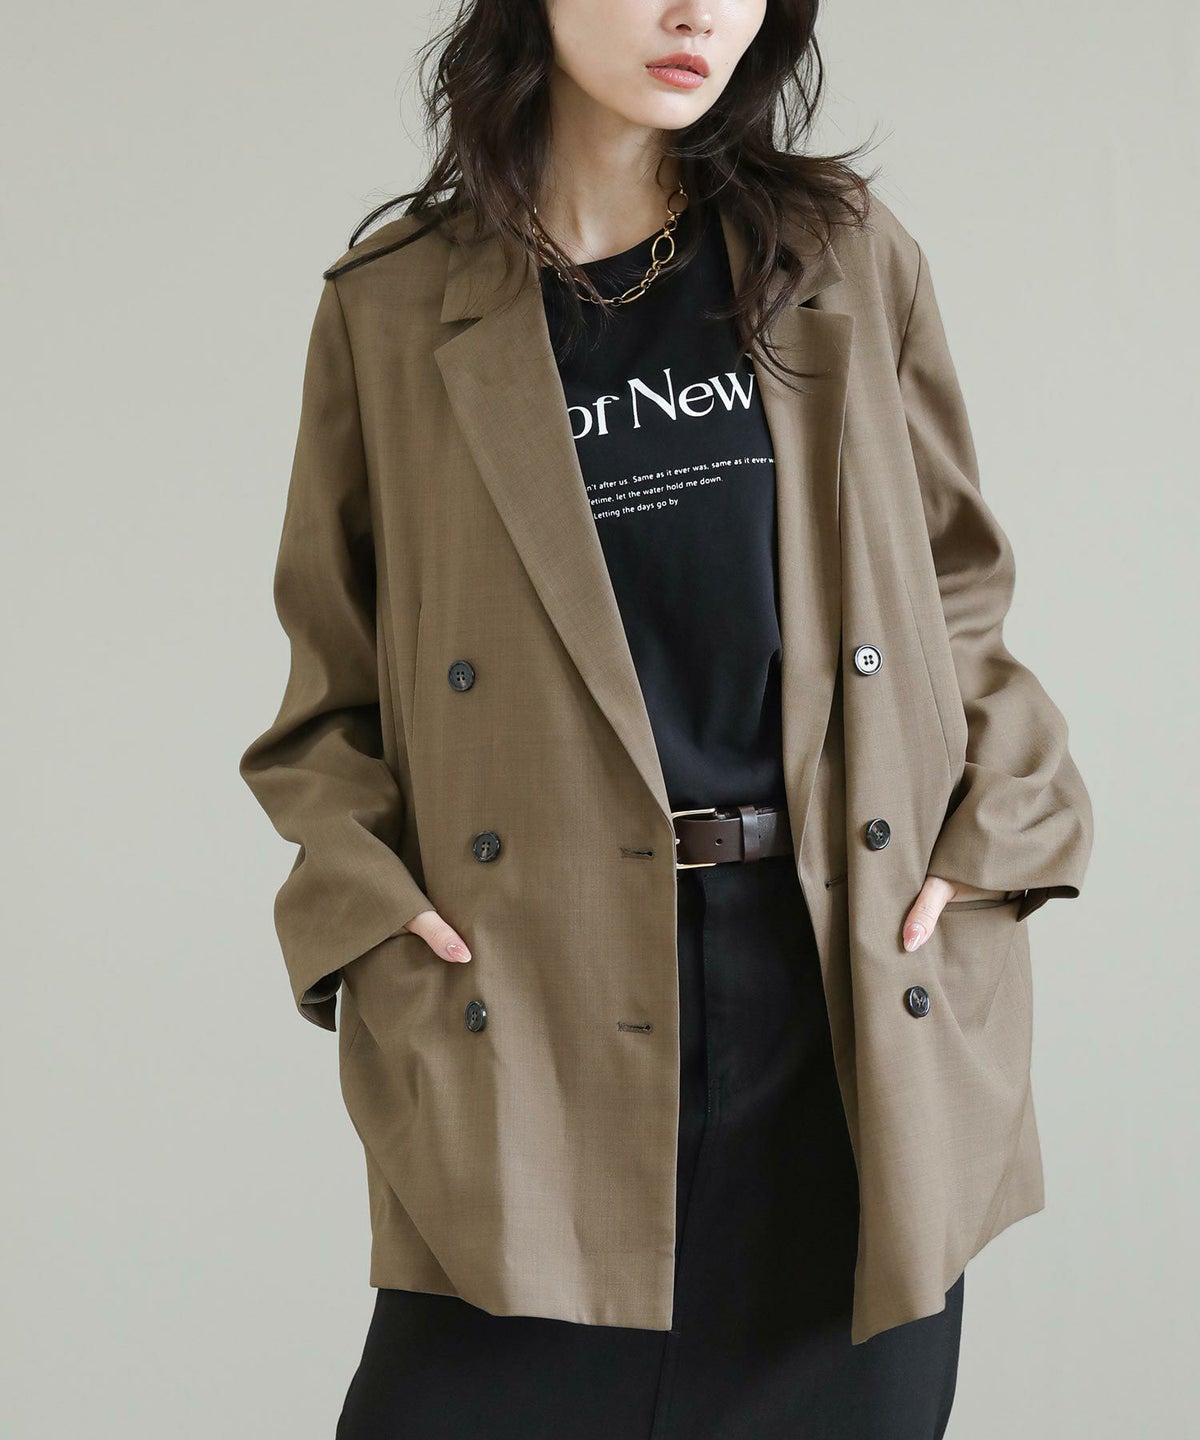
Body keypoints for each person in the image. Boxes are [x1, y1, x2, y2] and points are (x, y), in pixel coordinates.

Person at [238, 1, 1094, 1436]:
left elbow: (956, 590)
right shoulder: (390, 307)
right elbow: (331, 695)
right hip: (532, 1003)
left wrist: (995, 834)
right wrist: (377, 923)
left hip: (839, 999)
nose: (700, 9)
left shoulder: (843, 256)